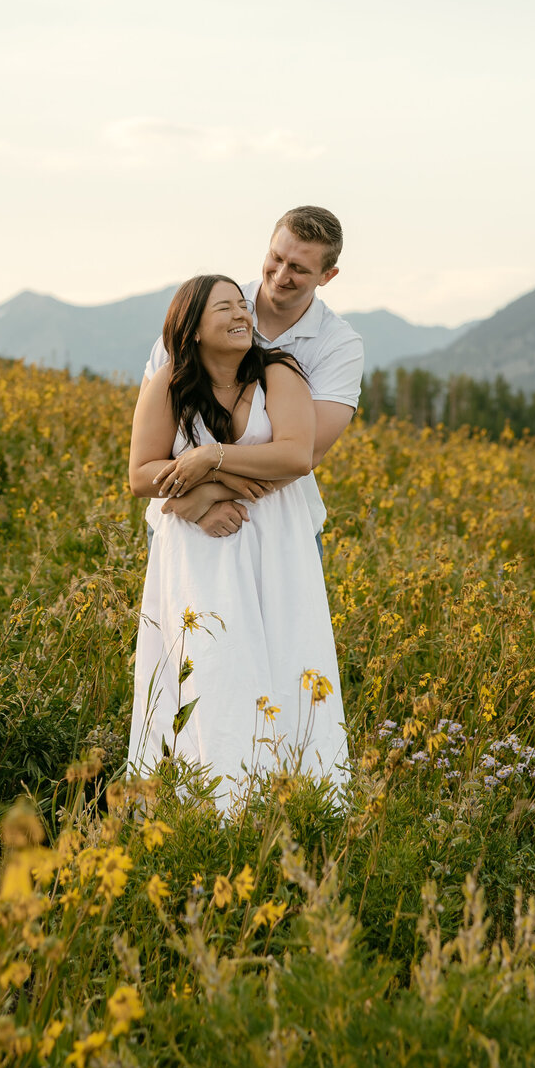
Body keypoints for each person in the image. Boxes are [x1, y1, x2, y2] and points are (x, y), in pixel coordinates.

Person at [127, 274, 348, 811]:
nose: (242, 315)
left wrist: (210, 465)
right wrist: (197, 496)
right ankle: (209, 805)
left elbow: (297, 456)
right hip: (198, 556)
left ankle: (300, 800)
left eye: (242, 306)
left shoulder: (279, 374)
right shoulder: (169, 383)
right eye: (224, 308)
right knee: (212, 664)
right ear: (193, 328)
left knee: (286, 656)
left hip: (275, 545)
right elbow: (140, 475)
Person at [142, 206, 364, 549]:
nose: (280, 274)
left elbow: (305, 455)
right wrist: (197, 508)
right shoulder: (206, 307)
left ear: (327, 276)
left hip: (284, 532)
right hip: (179, 522)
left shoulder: (338, 345)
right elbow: (149, 437)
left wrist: (210, 488)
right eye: (276, 257)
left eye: (299, 269)